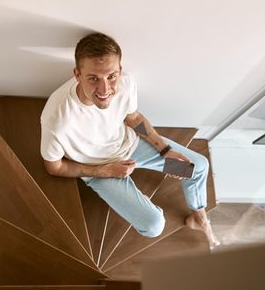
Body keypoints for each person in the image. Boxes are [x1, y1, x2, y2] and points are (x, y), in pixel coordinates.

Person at [40, 32, 219, 247]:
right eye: (93, 78)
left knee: (196, 167)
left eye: (111, 76)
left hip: (132, 147)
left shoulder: (125, 85)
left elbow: (133, 118)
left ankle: (198, 216)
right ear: (77, 74)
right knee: (154, 226)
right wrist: (103, 172)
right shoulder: (57, 118)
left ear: (119, 71)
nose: (105, 90)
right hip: (99, 169)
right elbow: (54, 167)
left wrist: (164, 150)